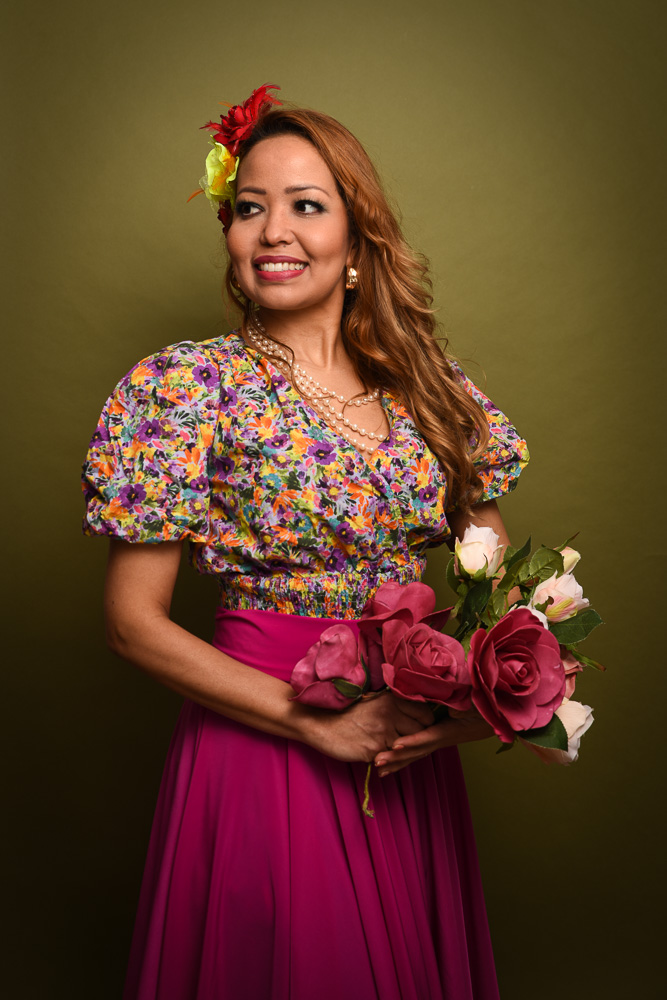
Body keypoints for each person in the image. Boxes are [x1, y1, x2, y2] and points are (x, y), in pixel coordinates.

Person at [82, 85, 529, 1000]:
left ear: (358, 242)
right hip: (261, 734)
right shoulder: (184, 388)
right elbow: (132, 624)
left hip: (399, 747)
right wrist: (314, 725)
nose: (273, 231)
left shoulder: (430, 391)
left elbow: (500, 594)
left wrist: (466, 714)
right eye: (250, 208)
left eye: (306, 206)